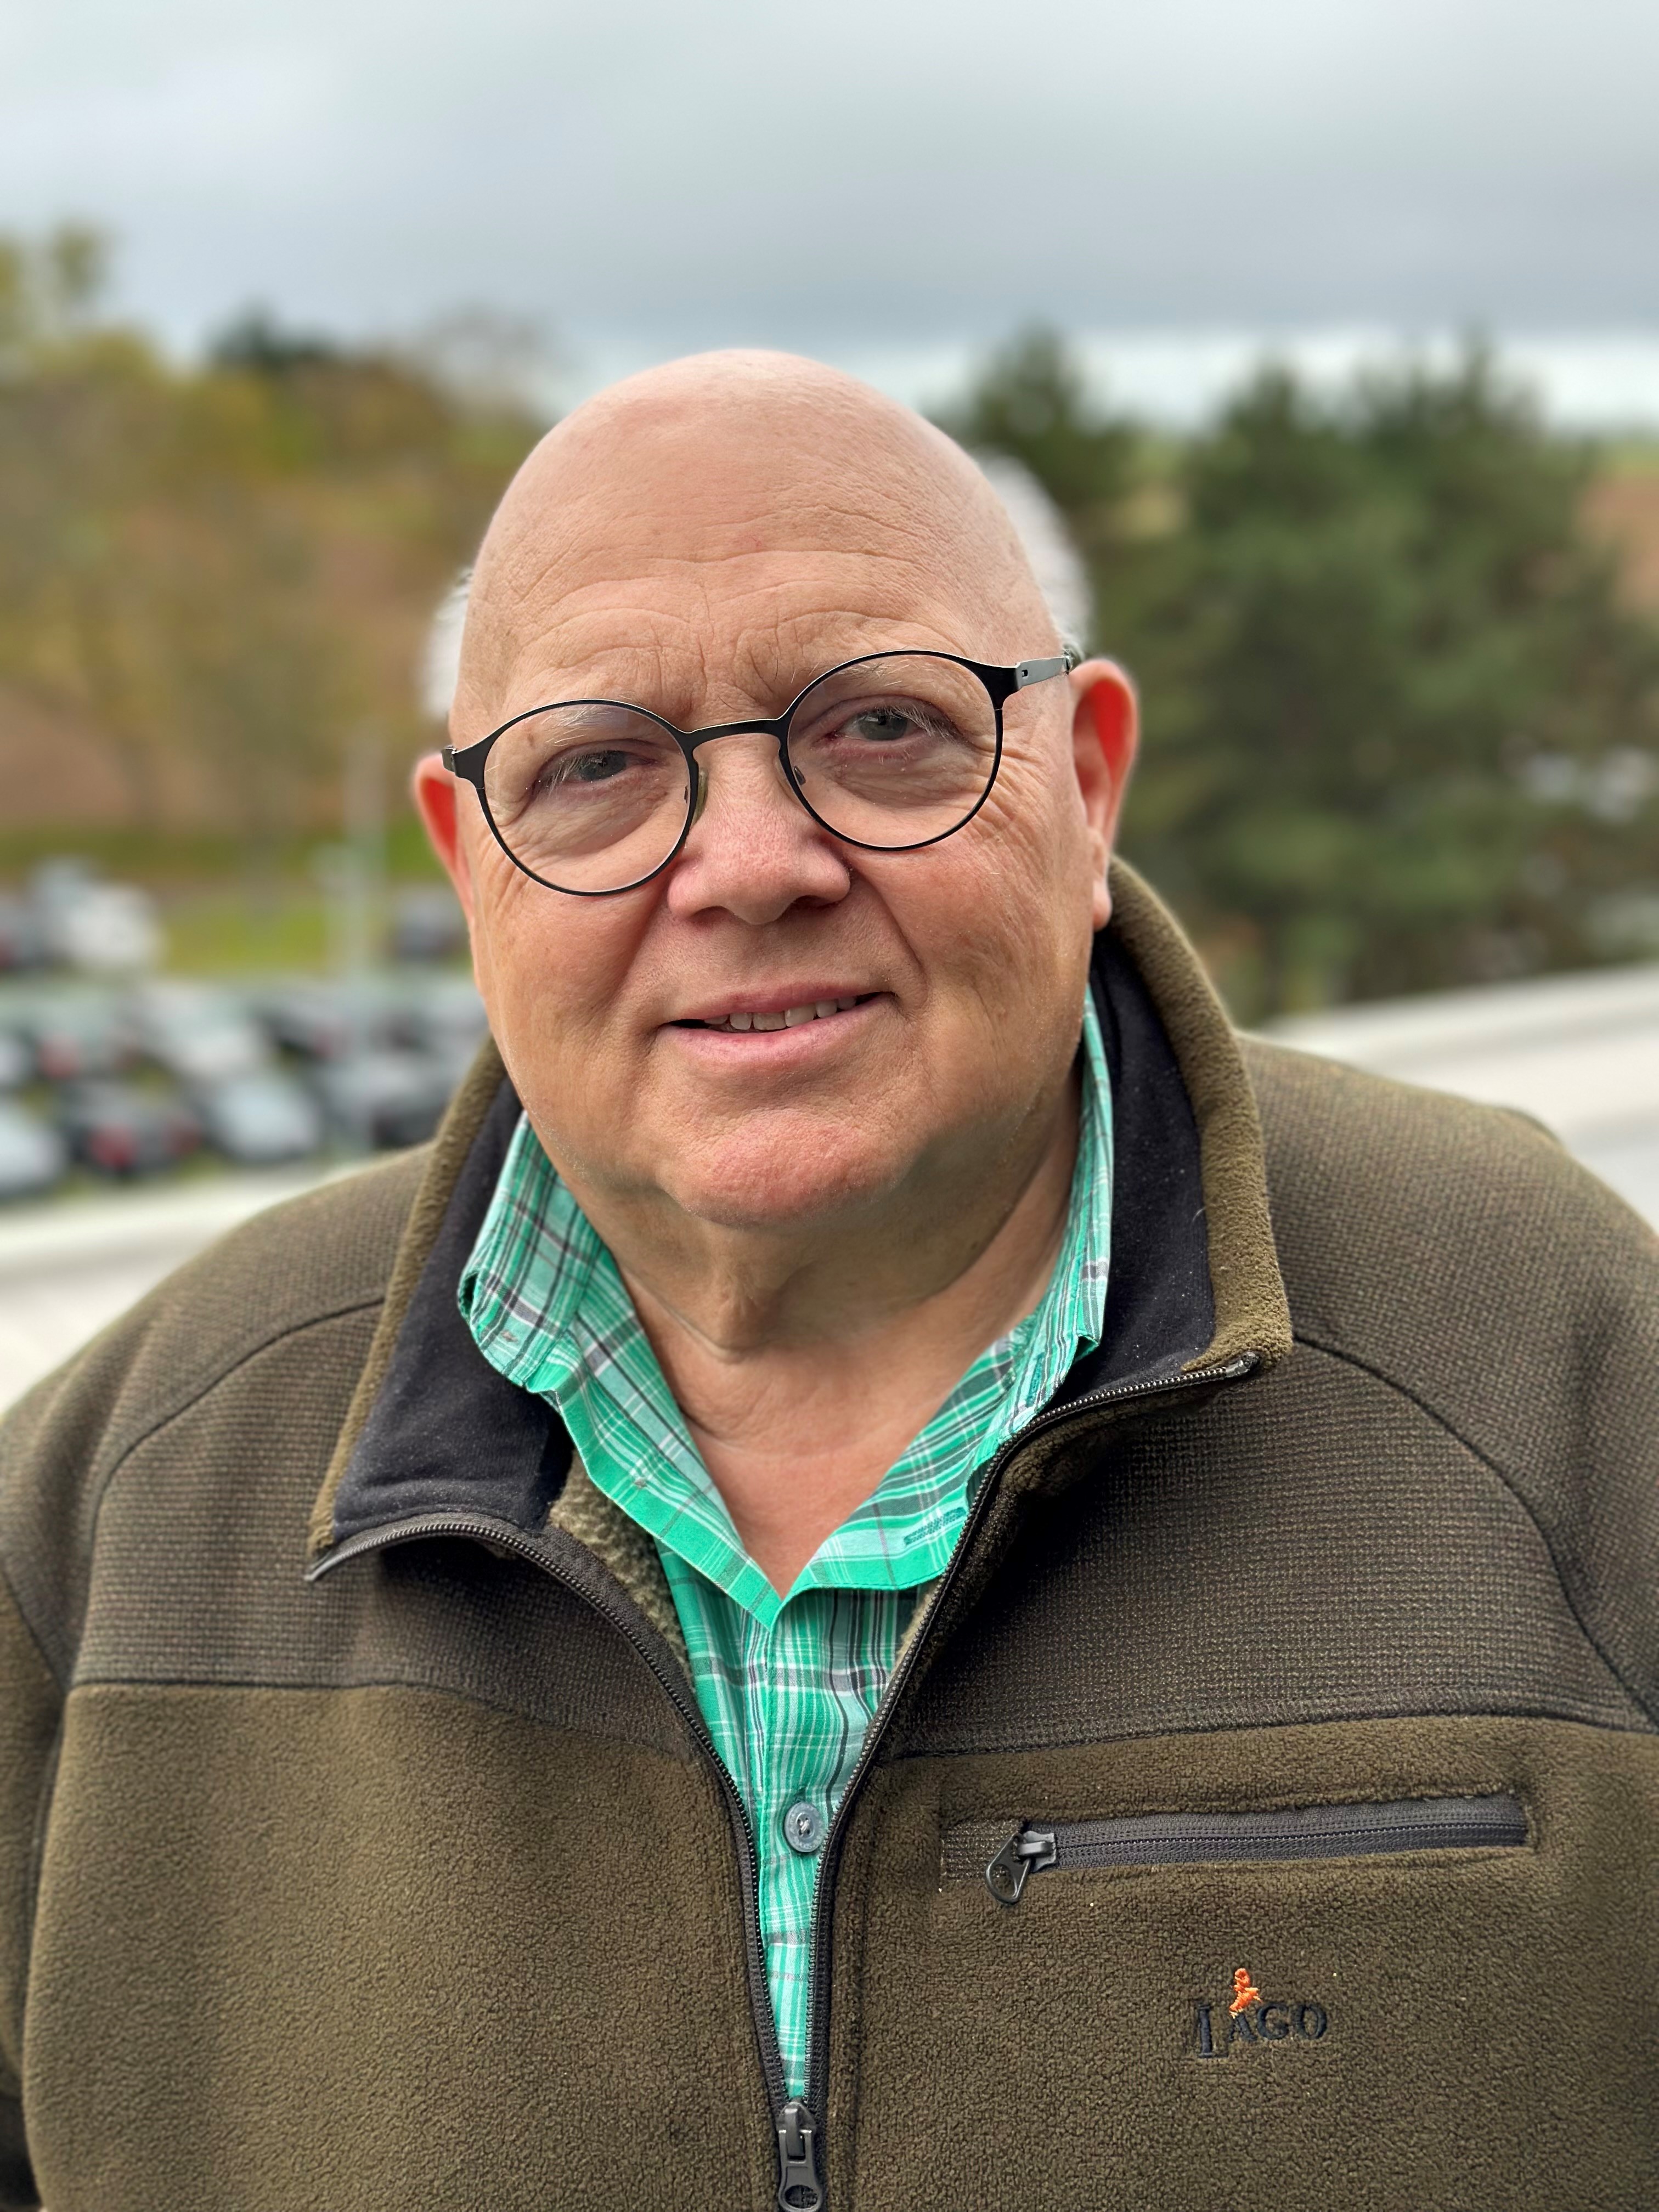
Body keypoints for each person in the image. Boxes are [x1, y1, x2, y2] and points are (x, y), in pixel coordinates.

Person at [2, 352, 1655, 2212]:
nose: (749, 866)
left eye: (881, 726)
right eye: (598, 766)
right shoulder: (110, 1512)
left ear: (1086, 782)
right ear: (472, 868)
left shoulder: (1568, 1366)